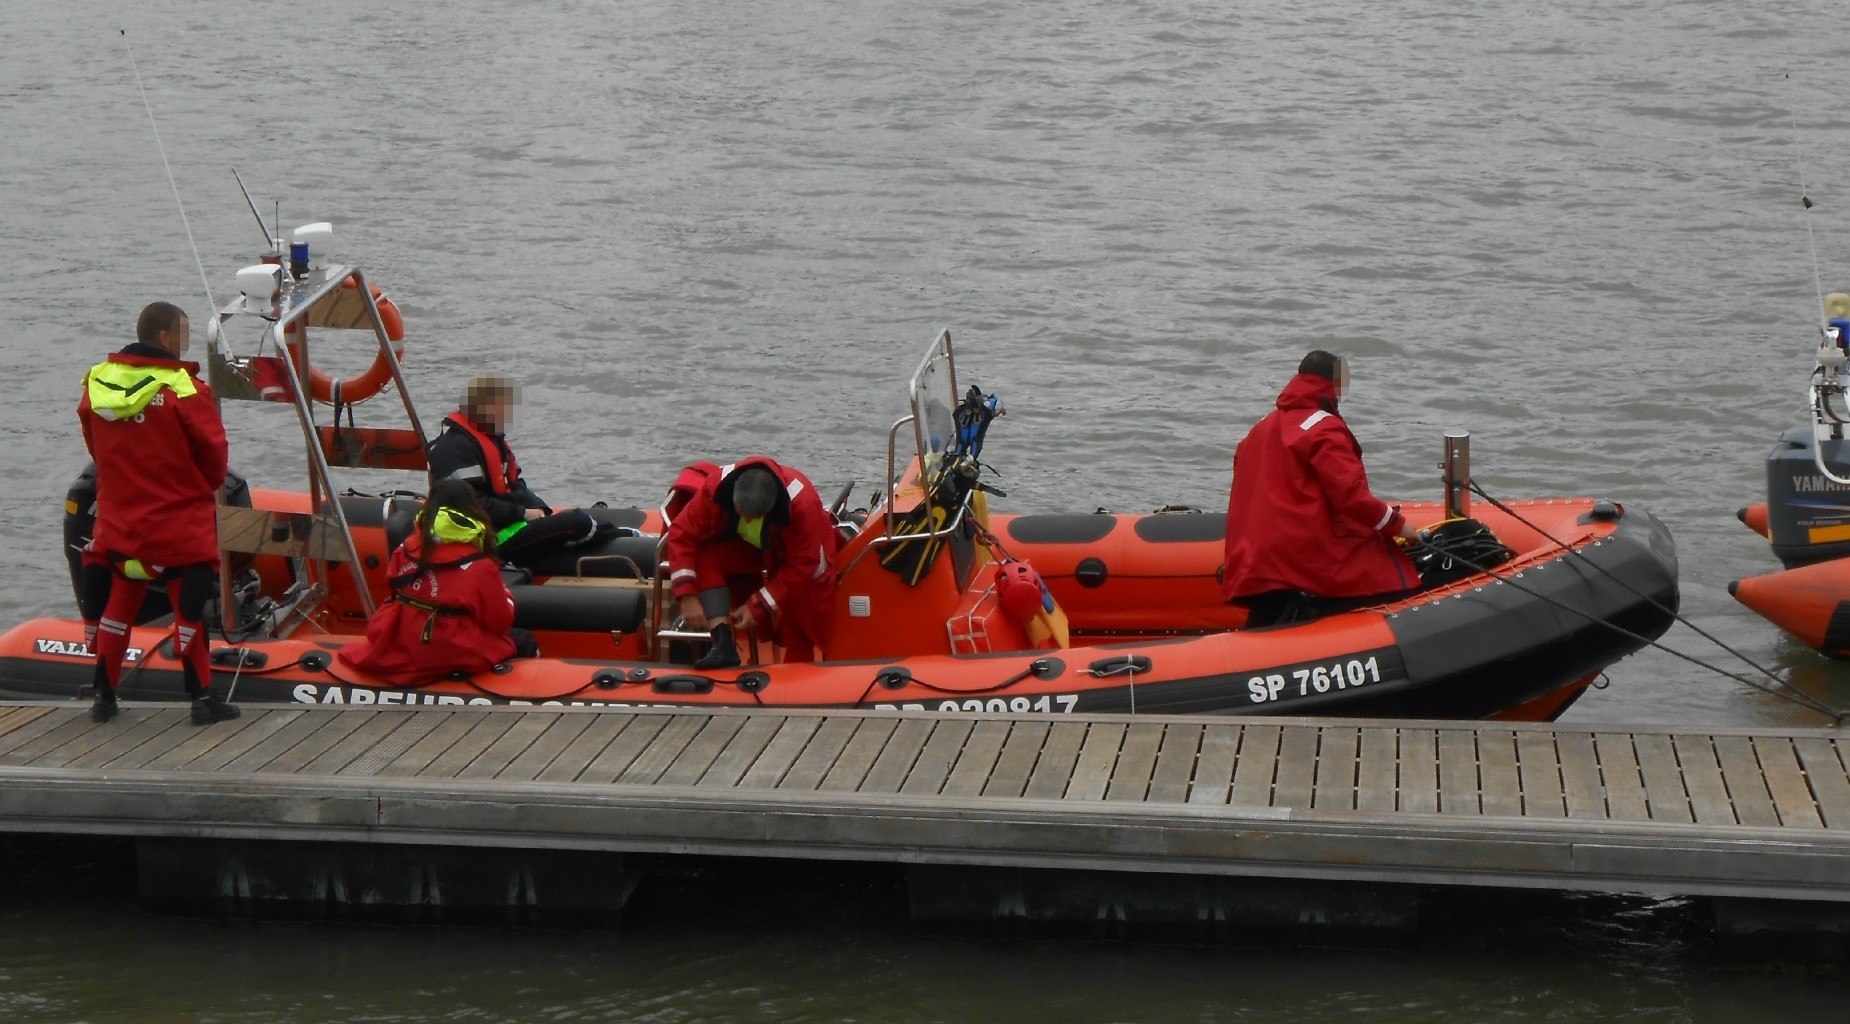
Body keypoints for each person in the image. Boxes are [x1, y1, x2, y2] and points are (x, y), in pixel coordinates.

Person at [77, 301, 240, 724]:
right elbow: (214, 456)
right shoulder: (184, 390)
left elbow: (94, 444)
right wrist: (196, 487)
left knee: (118, 607)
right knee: (189, 611)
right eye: (182, 335)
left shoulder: (98, 382)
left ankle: (104, 699)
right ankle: (202, 699)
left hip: (120, 525)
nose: (185, 344)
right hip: (177, 528)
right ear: (165, 338)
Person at [1222, 350, 1421, 627]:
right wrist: (1398, 525)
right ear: (1333, 386)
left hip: (1258, 558)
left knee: (1266, 616)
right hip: (1303, 555)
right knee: (1396, 583)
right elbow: (1350, 496)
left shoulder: (1259, 428)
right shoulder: (1324, 428)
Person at [337, 480, 536, 683]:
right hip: (450, 648)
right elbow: (499, 622)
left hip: (405, 639)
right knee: (523, 639)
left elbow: (394, 590)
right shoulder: (480, 566)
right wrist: (507, 597)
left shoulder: (405, 549)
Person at [663, 457, 839, 668]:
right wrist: (687, 596)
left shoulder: (802, 505)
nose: (746, 520)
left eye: (753, 517)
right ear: (734, 501)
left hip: (793, 558)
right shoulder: (715, 488)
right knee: (705, 557)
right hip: (755, 549)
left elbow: (804, 562)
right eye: (742, 515)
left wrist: (758, 604)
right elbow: (682, 534)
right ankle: (722, 643)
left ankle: (796, 679)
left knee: (799, 620)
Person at [425, 375, 601, 567]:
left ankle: (620, 534)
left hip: (503, 525)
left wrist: (541, 509)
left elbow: (515, 485)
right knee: (576, 522)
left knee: (571, 520)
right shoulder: (454, 450)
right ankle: (623, 537)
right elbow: (473, 506)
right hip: (482, 541)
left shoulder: (491, 439)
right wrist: (523, 513)